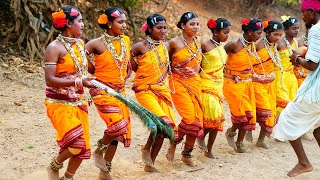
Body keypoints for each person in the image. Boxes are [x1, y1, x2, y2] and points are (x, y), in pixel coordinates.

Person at [44, 5, 95, 180]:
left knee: (83, 148)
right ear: (68, 23)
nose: (83, 25)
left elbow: (86, 70)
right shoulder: (54, 48)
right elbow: (50, 80)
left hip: (79, 102)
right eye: (79, 21)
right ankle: (54, 166)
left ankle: (68, 177)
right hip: (59, 104)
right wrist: (79, 81)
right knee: (76, 144)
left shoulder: (80, 44)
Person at [274, 0, 320, 177]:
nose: (302, 16)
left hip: (316, 90)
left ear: (311, 11)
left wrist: (296, 59)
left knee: (286, 118)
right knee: (318, 128)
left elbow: (312, 65)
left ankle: (303, 162)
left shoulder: (316, 29)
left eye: (303, 12)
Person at [85, 7, 131, 180]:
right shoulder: (96, 43)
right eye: (121, 22)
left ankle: (105, 172)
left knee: (118, 133)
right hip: (101, 90)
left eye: (125, 22)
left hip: (119, 92)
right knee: (118, 126)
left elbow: (126, 64)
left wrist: (125, 72)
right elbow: (80, 57)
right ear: (109, 23)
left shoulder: (125, 40)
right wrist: (93, 70)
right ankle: (98, 151)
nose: (124, 25)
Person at [130, 14, 178, 172]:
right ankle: (146, 150)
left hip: (161, 90)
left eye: (165, 27)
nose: (163, 30)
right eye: (159, 28)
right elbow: (131, 64)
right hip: (145, 90)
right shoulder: (139, 47)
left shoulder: (166, 46)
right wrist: (142, 75)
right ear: (149, 29)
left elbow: (165, 65)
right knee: (163, 122)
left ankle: (150, 162)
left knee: (167, 129)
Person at [166, 12, 204, 167]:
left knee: (198, 121)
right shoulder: (173, 43)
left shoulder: (198, 41)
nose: (195, 27)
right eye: (192, 24)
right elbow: (165, 64)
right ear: (182, 26)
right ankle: (174, 142)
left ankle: (187, 153)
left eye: (197, 24)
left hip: (196, 83)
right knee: (190, 119)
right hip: (178, 84)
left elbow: (199, 65)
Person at [223, 18, 263, 153]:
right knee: (240, 114)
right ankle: (232, 132)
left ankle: (239, 142)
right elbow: (220, 58)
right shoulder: (234, 44)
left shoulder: (252, 44)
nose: (260, 36)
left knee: (249, 114)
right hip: (233, 84)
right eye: (258, 32)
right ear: (250, 32)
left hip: (247, 84)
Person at [196, 18, 231, 158]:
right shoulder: (204, 45)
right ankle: (200, 137)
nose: (227, 35)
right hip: (206, 86)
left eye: (228, 33)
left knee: (218, 121)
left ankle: (209, 150)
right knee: (214, 117)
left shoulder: (222, 48)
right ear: (216, 32)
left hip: (218, 87)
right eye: (225, 32)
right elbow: (196, 64)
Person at [251, 20, 284, 148]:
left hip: (269, 83)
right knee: (261, 111)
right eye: (276, 34)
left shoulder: (273, 45)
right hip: (257, 83)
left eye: (280, 35)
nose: (279, 38)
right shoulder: (258, 44)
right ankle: (239, 134)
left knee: (271, 112)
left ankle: (260, 140)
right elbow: (249, 62)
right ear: (268, 32)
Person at [275, 16, 300, 115]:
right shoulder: (279, 43)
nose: (297, 31)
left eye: (298, 28)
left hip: (291, 79)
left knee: (290, 108)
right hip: (279, 78)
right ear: (285, 30)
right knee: (281, 107)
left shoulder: (296, 43)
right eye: (294, 29)